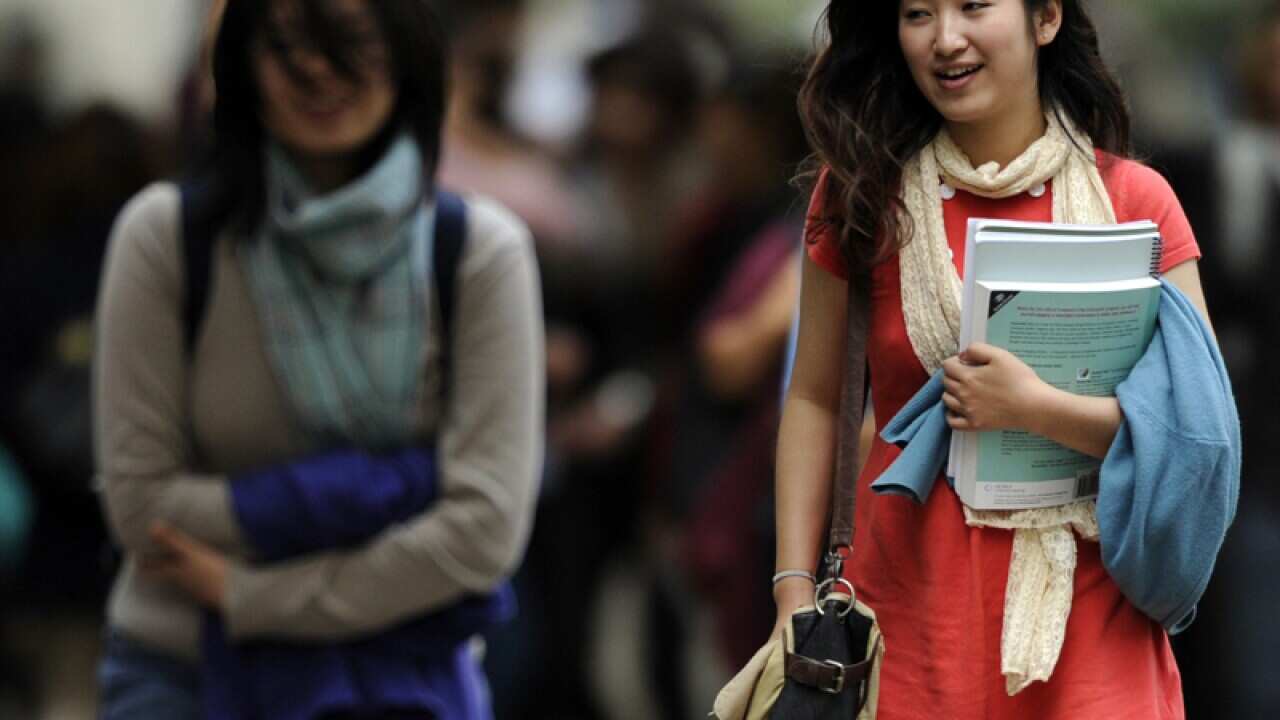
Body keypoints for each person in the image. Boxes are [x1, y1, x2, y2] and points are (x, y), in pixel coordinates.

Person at [93, 0, 544, 717]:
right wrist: (410, 488)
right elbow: (143, 509)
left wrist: (248, 595)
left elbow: (484, 534)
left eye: (350, 39)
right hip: (185, 673)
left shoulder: (482, 253)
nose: (315, 68)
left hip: (406, 680)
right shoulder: (166, 238)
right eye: (285, 42)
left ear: (408, 51)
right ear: (240, 62)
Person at [776, 1, 1213, 718]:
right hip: (905, 616)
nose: (947, 39)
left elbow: (1195, 434)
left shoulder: (1135, 202)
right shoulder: (861, 194)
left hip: (1092, 616)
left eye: (975, 5)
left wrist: (1036, 409)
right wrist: (792, 589)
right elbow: (815, 398)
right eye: (918, 13)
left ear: (1044, 18)